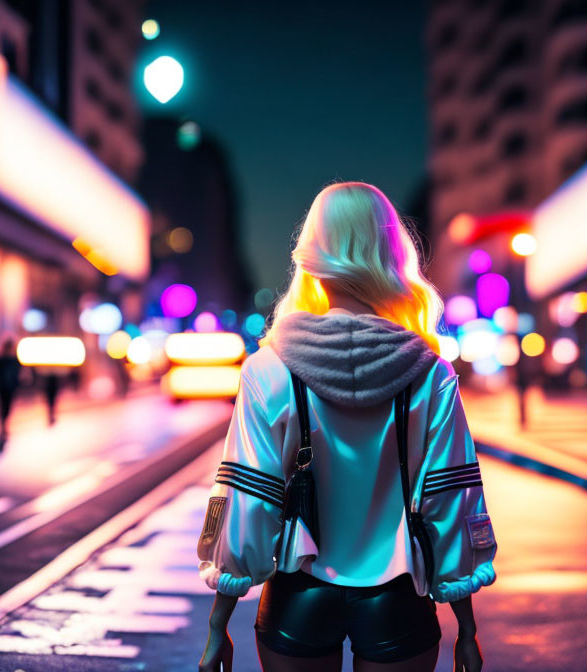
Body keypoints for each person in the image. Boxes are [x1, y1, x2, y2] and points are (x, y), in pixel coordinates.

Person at [198, 183, 497, 672]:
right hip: (401, 599)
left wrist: (218, 625)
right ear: (391, 255)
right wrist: (467, 626)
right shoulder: (430, 373)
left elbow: (246, 499)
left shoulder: (269, 368)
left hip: (297, 596)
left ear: (312, 259)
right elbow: (451, 496)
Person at [0, 338, 21, 439]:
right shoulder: (1, 359)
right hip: (2, 386)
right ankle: (3, 426)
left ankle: (4, 425)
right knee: (2, 407)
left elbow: (18, 373)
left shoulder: (14, 359)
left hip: (10, 387)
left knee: (7, 407)